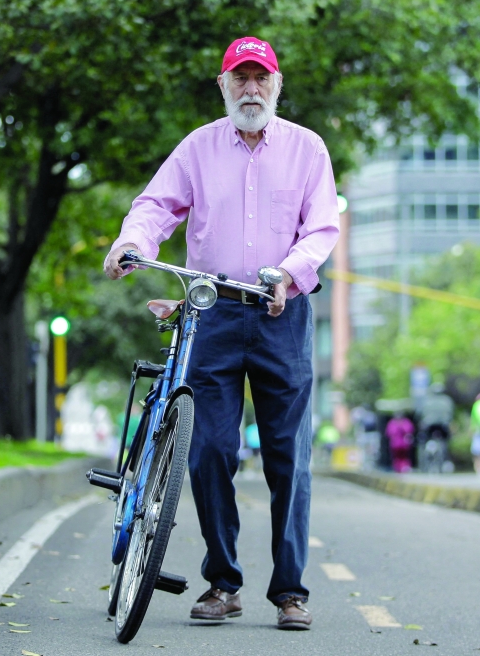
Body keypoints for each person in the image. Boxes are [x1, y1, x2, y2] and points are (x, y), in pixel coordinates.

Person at [103, 36, 339, 630]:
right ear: (224, 84)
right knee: (209, 450)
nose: (251, 89)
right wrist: (134, 243)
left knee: (289, 460)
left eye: (262, 79)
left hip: (281, 312)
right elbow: (156, 205)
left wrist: (289, 272)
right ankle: (222, 581)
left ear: (278, 86)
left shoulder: (308, 149)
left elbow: (322, 229)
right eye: (241, 79)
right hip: (211, 311)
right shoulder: (198, 148)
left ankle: (290, 591)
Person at [418, 383, 453, 473]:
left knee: (424, 441)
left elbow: (419, 414)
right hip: (443, 425)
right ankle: (445, 460)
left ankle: (427, 455)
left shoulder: (426, 400)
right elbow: (451, 413)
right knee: (445, 441)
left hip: (429, 425)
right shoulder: (447, 400)